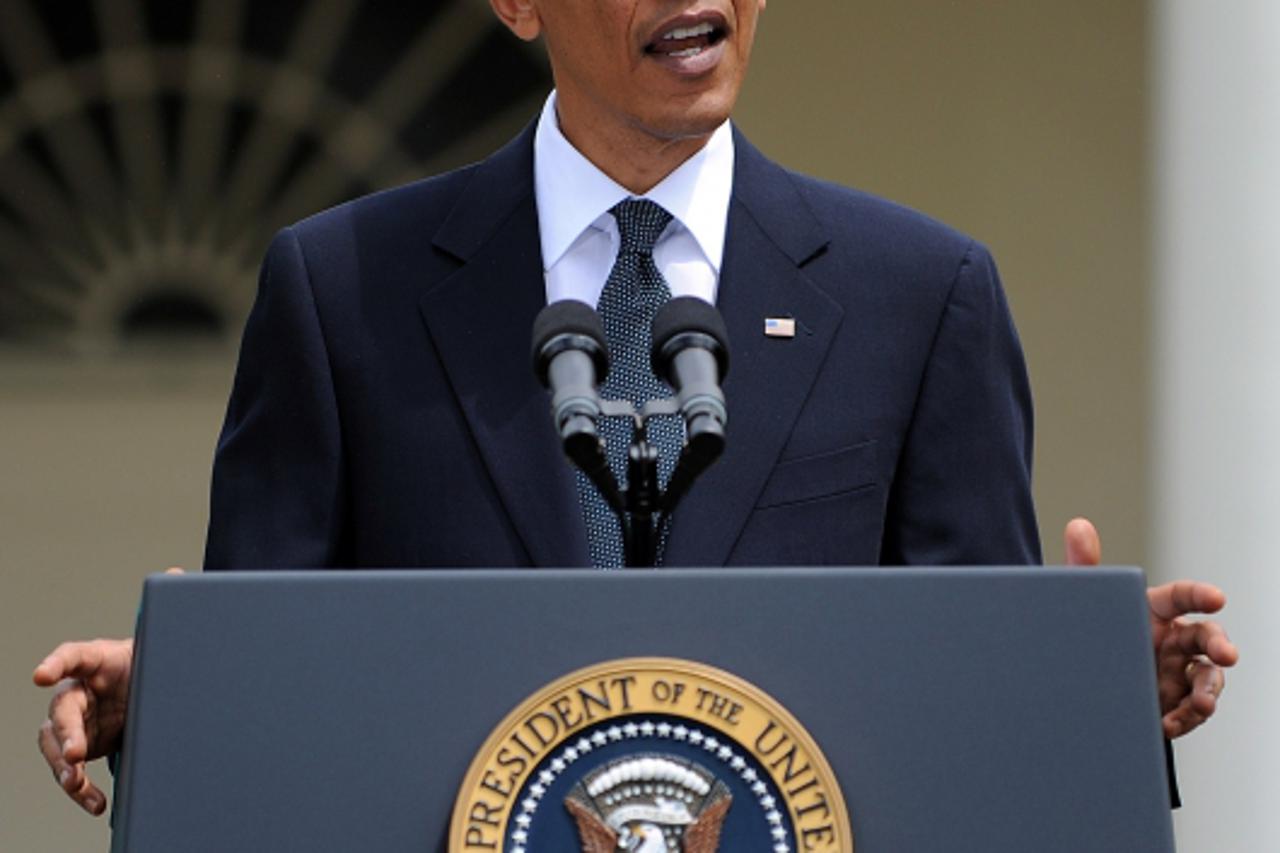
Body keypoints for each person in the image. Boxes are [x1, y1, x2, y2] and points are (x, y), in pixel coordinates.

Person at [34, 0, 1237, 818]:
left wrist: (1082, 688)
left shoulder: (919, 295)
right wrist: (182, 697)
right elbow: (271, 693)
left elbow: (973, 715)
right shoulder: (343, 290)